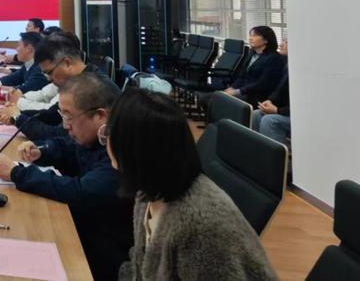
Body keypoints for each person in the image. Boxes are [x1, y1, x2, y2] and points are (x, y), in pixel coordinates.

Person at [107, 89, 279, 281]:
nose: (107, 140)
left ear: (133, 149)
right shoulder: (149, 189)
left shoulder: (200, 229)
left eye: (108, 133)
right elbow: (141, 262)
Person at [0, 73, 133, 281]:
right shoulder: (94, 136)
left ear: (100, 116)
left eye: (69, 116)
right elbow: (67, 145)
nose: (65, 125)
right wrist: (41, 151)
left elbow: (81, 191)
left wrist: (17, 172)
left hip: (103, 255)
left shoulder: (120, 149)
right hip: (86, 231)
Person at [0, 32, 120, 140]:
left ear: (67, 63)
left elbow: (57, 134)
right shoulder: (81, 79)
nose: (49, 79)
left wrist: (18, 117)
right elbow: (52, 114)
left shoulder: (90, 88)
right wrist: (17, 115)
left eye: (50, 72)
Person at [219, 26, 285, 108]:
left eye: (255, 36)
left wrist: (237, 91)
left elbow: (262, 83)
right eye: (250, 35)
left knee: (218, 100)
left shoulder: (274, 58)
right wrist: (233, 87)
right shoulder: (251, 54)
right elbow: (242, 75)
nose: (250, 38)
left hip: (256, 95)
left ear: (266, 40)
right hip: (244, 91)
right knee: (215, 97)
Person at [252, 39, 290, 145]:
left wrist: (277, 110)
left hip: (296, 115)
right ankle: (258, 150)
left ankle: (276, 155)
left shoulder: (301, 71)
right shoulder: (286, 64)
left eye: (286, 42)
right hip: (285, 110)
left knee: (269, 121)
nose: (281, 44)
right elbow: (279, 90)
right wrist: (270, 101)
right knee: (256, 114)